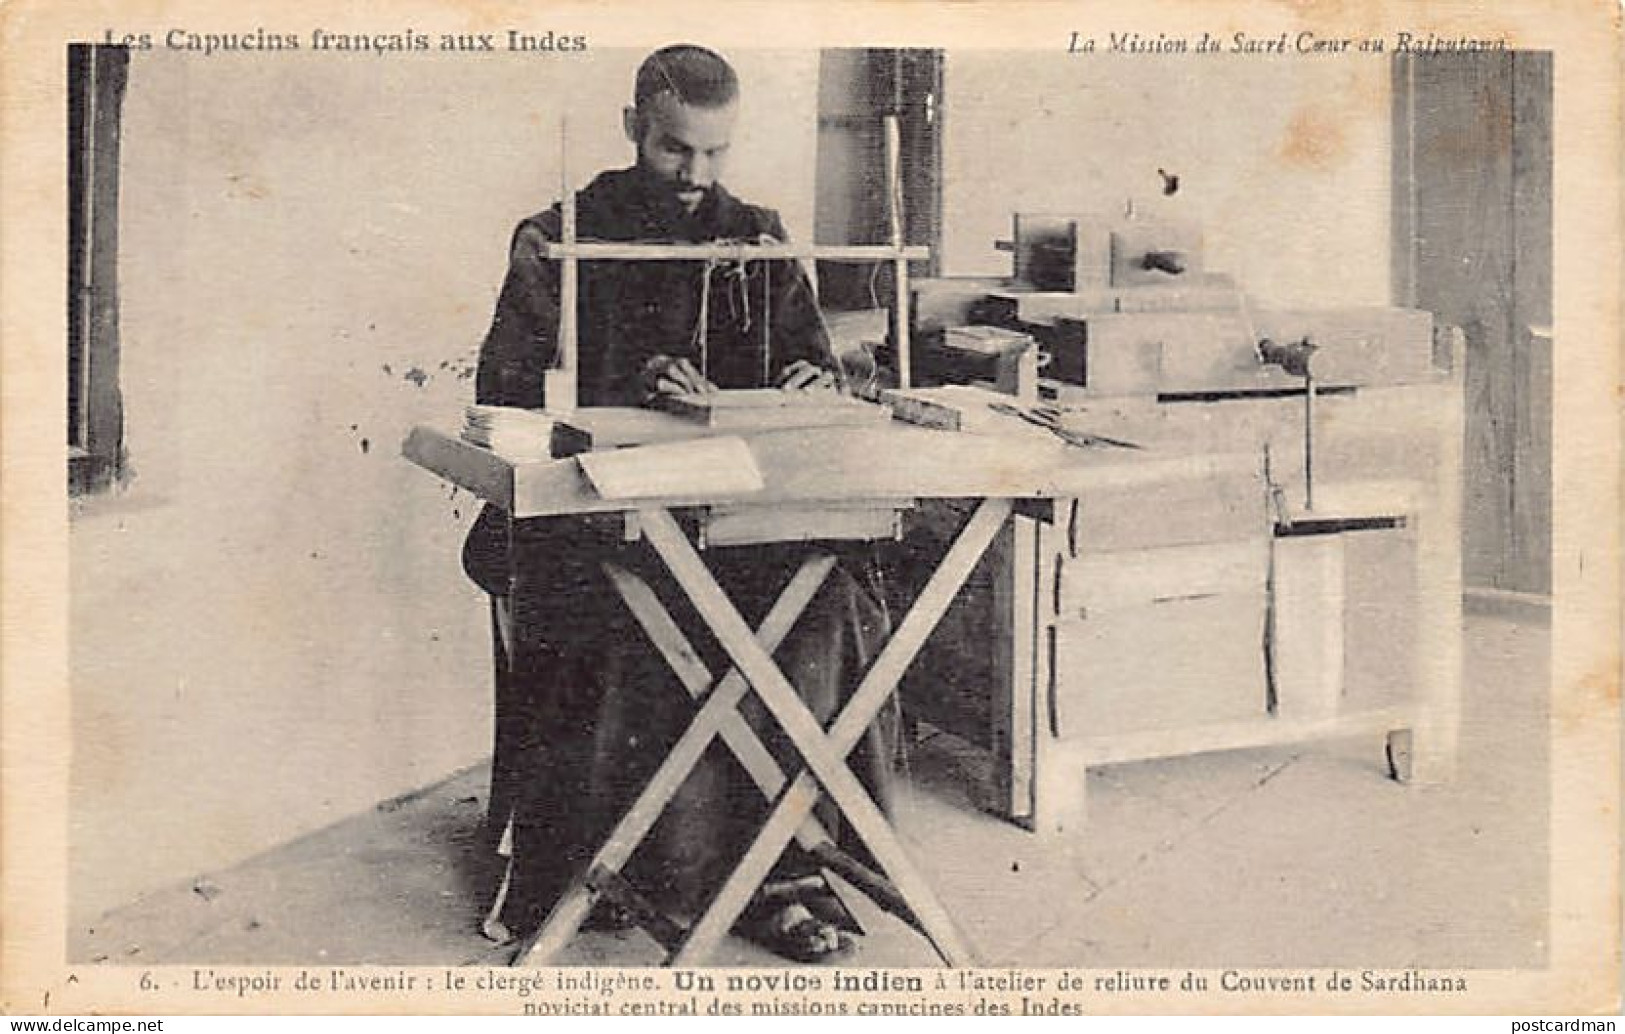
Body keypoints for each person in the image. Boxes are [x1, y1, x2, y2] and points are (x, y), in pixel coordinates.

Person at [461, 44, 898, 963]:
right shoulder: (558, 234)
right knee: (628, 613)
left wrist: (809, 376)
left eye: (715, 155)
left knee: (829, 606)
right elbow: (503, 386)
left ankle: (779, 875)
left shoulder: (759, 236)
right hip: (601, 521)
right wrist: (625, 379)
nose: (697, 176)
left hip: (735, 520)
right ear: (632, 128)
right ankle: (624, 872)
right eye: (673, 151)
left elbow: (810, 365)